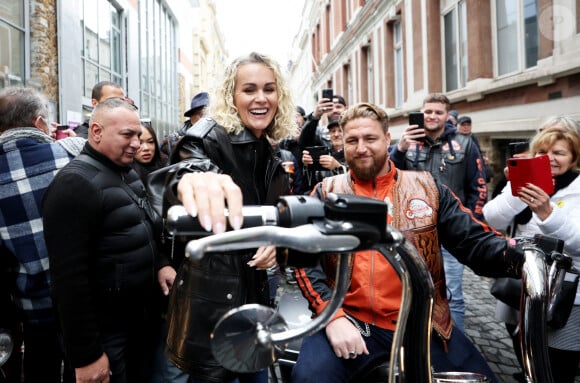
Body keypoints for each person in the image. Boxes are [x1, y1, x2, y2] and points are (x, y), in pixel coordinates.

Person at [289, 102, 523, 383]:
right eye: (352, 140)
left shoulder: (428, 188)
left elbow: (473, 240)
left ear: (388, 140)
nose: (361, 147)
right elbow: (303, 258)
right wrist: (332, 316)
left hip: (422, 321)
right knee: (307, 378)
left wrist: (519, 257)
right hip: (351, 320)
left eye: (370, 139)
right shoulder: (325, 193)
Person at [154, 52, 295, 383]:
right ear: (231, 95)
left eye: (269, 89)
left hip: (256, 299)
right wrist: (196, 180)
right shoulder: (205, 136)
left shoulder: (269, 146)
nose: (261, 98)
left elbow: (275, 217)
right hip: (212, 302)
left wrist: (276, 242)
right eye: (249, 89)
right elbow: (183, 172)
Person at [42, 97, 176, 383]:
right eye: (127, 135)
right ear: (97, 132)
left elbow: (143, 226)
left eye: (138, 135)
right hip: (106, 336)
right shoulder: (74, 184)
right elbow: (68, 281)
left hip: (138, 325)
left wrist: (161, 264)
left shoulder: (126, 172)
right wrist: (87, 356)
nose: (137, 144)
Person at [483, 117, 580, 383]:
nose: (549, 158)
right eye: (542, 152)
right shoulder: (525, 181)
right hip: (521, 282)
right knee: (521, 342)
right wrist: (518, 188)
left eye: (559, 153)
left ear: (573, 157)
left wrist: (547, 214)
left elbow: (577, 243)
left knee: (558, 362)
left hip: (565, 293)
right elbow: (492, 218)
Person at [0, 86, 84, 383]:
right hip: (84, 304)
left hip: (29, 308)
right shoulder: (73, 156)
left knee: (40, 368)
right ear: (38, 123)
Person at [390, 94, 488, 332]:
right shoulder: (407, 142)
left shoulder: (465, 144)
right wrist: (400, 150)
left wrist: (471, 223)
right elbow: (387, 176)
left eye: (438, 112)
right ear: (421, 113)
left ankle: (454, 351)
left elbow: (479, 187)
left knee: (452, 295)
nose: (432, 116)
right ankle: (416, 346)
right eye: (428, 111)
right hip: (413, 233)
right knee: (411, 291)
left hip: (451, 232)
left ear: (447, 115)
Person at [161, 91, 209, 164]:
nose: (205, 117)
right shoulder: (173, 141)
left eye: (208, 113)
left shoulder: (218, 137)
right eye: (201, 113)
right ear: (191, 117)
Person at [301, 118, 348, 192]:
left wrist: (338, 167)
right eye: (333, 131)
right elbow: (308, 184)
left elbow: (355, 181)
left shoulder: (352, 154)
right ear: (329, 134)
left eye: (340, 131)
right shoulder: (323, 153)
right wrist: (307, 166)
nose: (336, 134)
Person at [132, 119, 165, 184]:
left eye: (150, 142)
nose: (146, 148)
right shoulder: (123, 175)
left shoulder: (167, 166)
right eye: (140, 143)